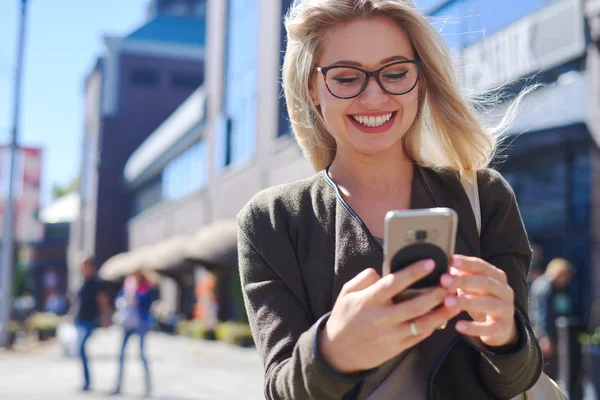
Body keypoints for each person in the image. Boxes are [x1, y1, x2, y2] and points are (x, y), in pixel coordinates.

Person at [236, 1, 543, 399]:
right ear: (312, 88)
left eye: (396, 73)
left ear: (420, 81)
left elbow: (520, 378)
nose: (374, 97)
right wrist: (331, 351)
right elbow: (281, 390)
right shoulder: (271, 220)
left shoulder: (486, 197)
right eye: (346, 78)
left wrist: (506, 335)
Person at [111, 270, 157, 397]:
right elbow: (118, 299)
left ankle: (147, 388)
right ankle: (118, 385)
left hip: (140, 324)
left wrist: (137, 299)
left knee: (142, 355)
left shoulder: (146, 288)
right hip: (127, 324)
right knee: (121, 355)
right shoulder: (127, 286)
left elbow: (148, 304)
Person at [69, 256, 110, 392]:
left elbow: (103, 301)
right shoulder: (79, 282)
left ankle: (87, 381)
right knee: (80, 350)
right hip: (79, 319)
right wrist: (71, 315)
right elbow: (76, 301)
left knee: (81, 347)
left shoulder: (96, 282)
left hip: (90, 319)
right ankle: (86, 381)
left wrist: (106, 317)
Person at [531, 257, 575, 379]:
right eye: (565, 276)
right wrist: (545, 336)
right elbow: (542, 312)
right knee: (548, 368)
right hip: (546, 333)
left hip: (544, 331)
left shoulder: (543, 283)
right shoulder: (546, 287)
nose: (566, 280)